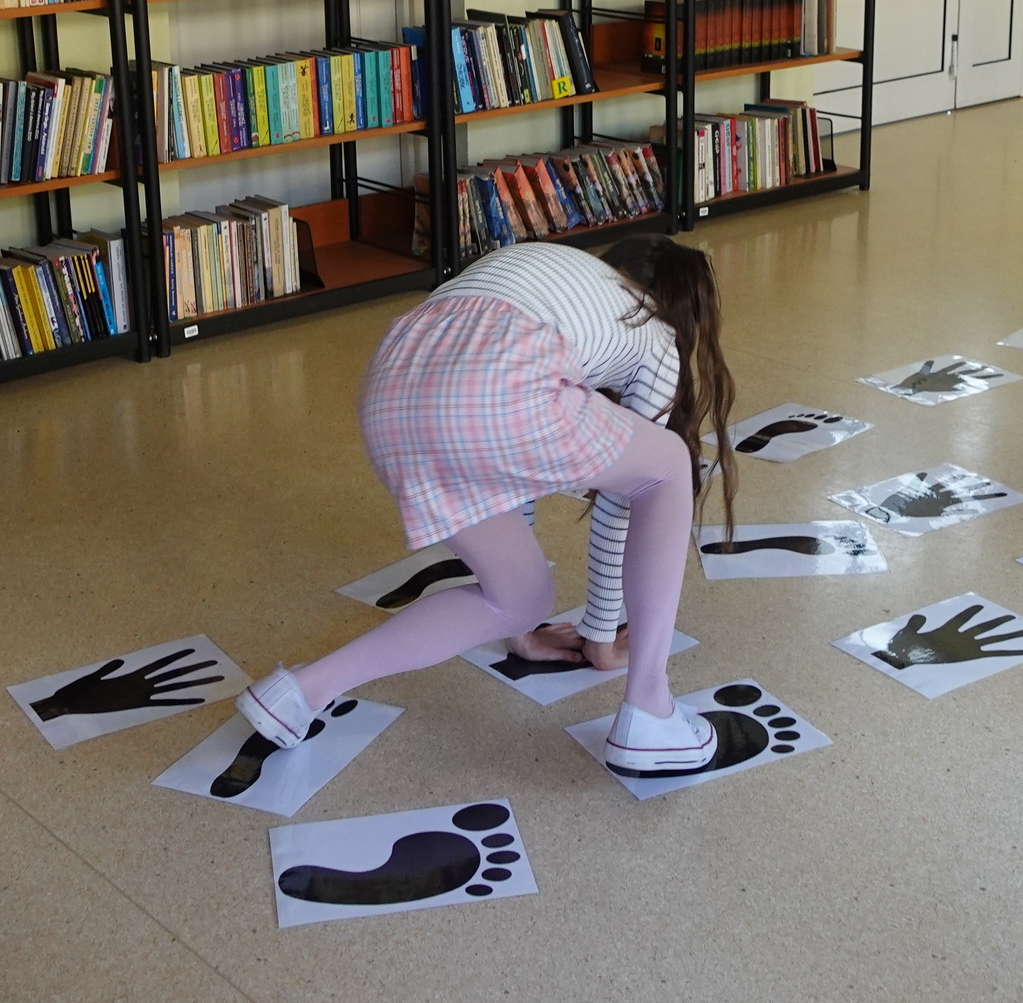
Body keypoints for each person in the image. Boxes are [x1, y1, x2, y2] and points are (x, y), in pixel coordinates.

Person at [236, 236, 736, 772]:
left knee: (520, 597)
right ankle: (651, 708)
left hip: (390, 394)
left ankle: (299, 693)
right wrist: (600, 636)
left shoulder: (556, 272)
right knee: (667, 465)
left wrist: (518, 631)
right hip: (491, 391)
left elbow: (510, 475)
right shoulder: (653, 333)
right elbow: (626, 500)